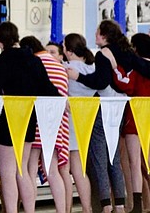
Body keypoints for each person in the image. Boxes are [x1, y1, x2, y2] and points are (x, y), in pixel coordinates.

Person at [0, 21, 60, 212]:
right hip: (29, 119)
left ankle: (11, 211)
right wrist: (62, 101)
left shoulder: (3, 61)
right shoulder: (34, 59)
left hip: (8, 119)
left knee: (7, 173)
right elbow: (47, 88)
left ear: (0, 42)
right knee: (23, 170)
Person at [66, 20, 127, 213]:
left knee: (99, 160)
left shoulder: (100, 56)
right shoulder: (124, 53)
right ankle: (120, 204)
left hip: (101, 112)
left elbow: (100, 82)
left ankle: (105, 205)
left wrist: (78, 77)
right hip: (120, 108)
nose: (95, 35)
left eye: (97, 32)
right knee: (114, 158)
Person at [20, 36, 71, 213]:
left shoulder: (33, 62)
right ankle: (62, 210)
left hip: (36, 119)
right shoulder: (58, 65)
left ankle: (30, 210)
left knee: (31, 168)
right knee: (53, 169)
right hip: (56, 121)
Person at [106, 33, 150, 213]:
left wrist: (115, 66)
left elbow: (126, 85)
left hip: (135, 118)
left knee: (134, 162)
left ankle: (138, 204)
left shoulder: (136, 68)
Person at [63, 33, 96, 213]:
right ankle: (87, 208)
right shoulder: (92, 68)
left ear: (68, 51)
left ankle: (65, 208)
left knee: (65, 169)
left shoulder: (66, 67)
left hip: (68, 122)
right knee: (80, 169)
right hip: (85, 121)